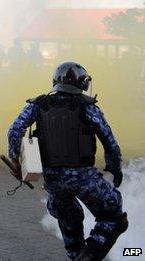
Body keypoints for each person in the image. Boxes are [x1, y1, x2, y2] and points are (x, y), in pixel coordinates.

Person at [7, 61, 128, 261]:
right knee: (114, 217)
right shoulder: (88, 107)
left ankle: (77, 255)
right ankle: (88, 256)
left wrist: (16, 161)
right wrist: (115, 169)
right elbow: (110, 143)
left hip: (53, 181)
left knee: (70, 221)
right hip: (84, 178)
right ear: (83, 83)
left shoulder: (38, 104)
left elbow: (14, 131)